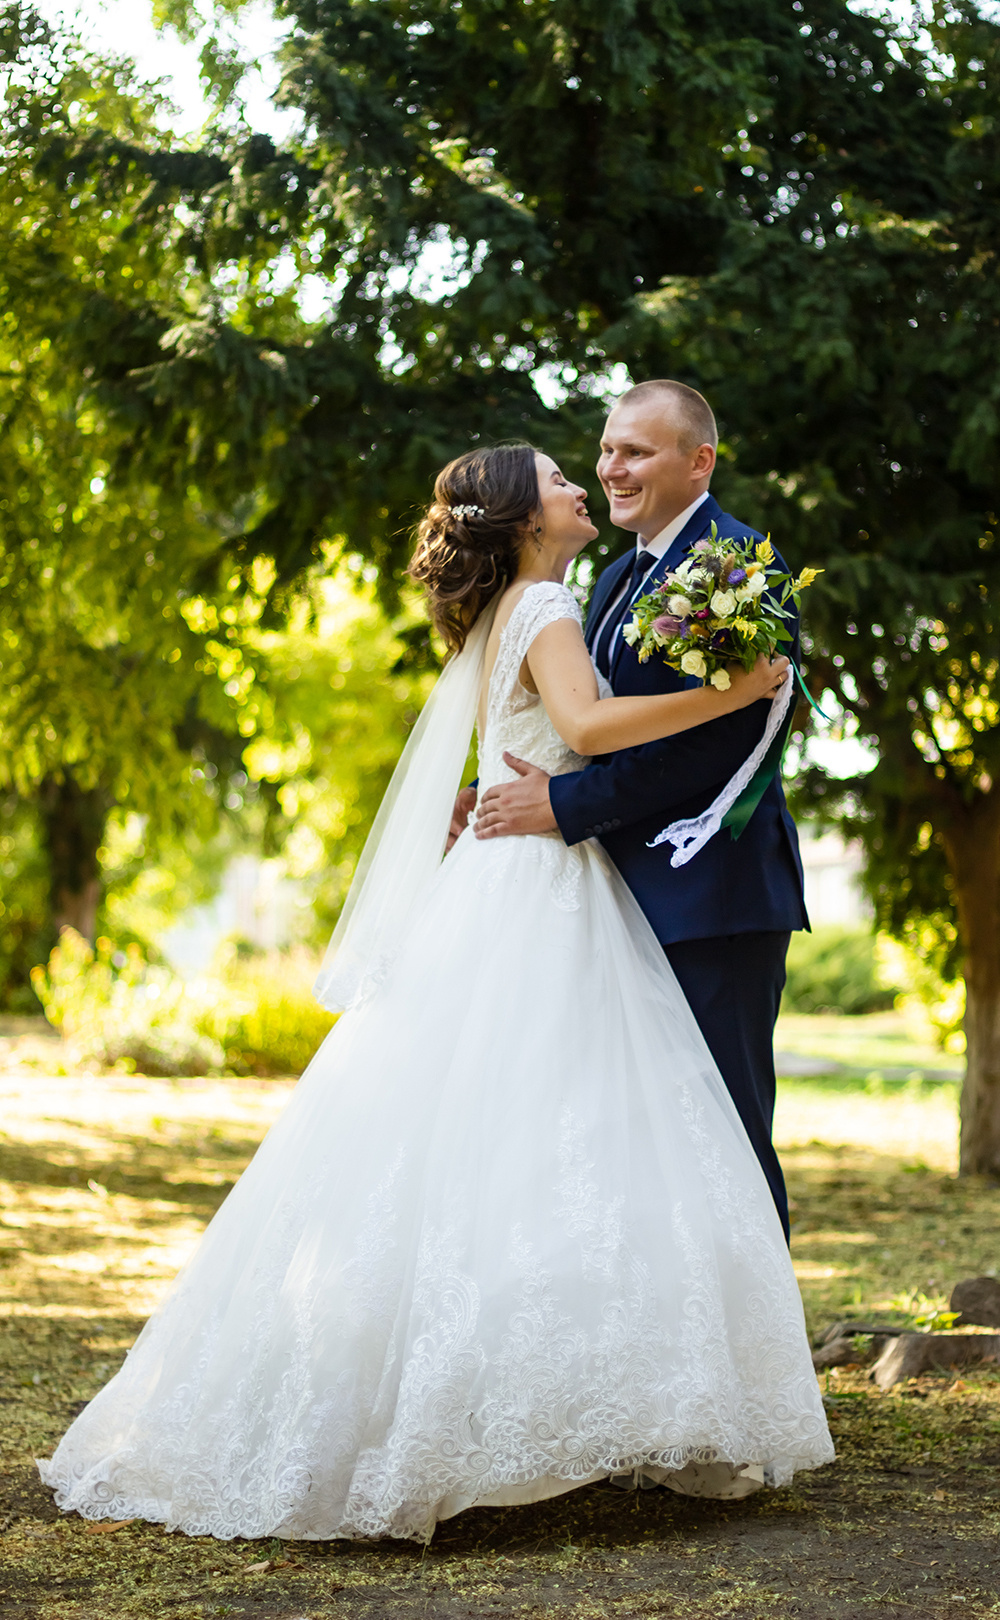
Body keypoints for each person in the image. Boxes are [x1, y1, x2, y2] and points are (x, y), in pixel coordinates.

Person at [39, 444, 832, 1546]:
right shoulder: (552, 599)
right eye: (562, 477)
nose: (579, 484)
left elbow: (523, 741)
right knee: (559, 1135)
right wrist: (734, 689)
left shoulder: (514, 603)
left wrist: (521, 784)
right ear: (523, 518)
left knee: (486, 1134)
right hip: (543, 884)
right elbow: (592, 732)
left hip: (509, 879)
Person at [469, 383, 809, 1239]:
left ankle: (759, 1364)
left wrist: (561, 802)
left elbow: (713, 747)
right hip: (615, 897)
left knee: (725, 1130)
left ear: (700, 462)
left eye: (637, 453)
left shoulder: (740, 570)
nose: (611, 469)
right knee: (639, 1143)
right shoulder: (619, 575)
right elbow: (587, 724)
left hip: (713, 896)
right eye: (607, 448)